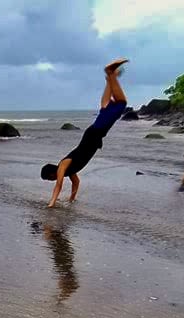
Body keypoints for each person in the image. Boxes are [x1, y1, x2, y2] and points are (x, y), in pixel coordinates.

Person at [41, 59, 130, 208]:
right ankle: (110, 78)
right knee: (105, 107)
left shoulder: (62, 166)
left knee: (121, 103)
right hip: (94, 134)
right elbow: (76, 182)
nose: (53, 181)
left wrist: (51, 203)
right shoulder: (69, 171)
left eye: (50, 179)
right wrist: (72, 199)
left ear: (51, 174)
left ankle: (110, 73)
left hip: (94, 134)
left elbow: (58, 186)